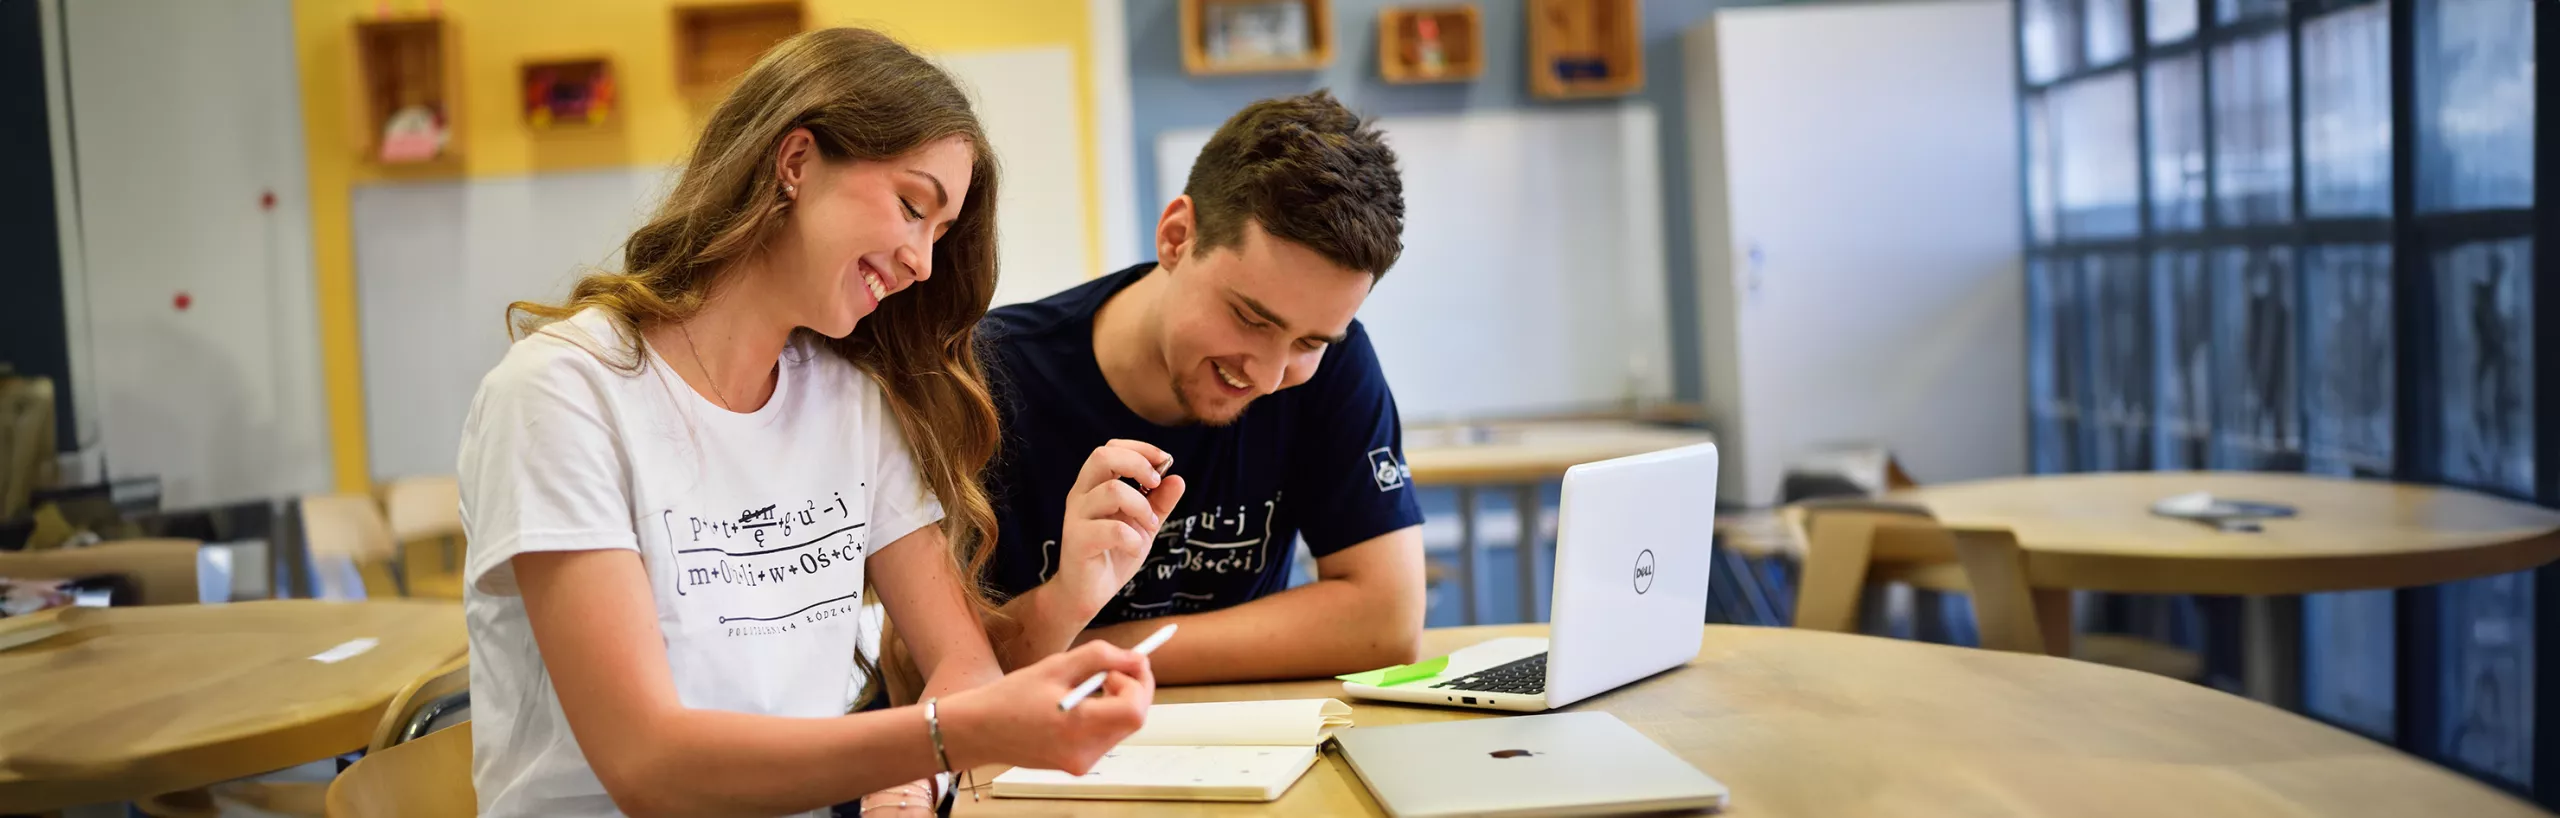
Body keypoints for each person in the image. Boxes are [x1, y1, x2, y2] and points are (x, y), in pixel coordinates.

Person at [457, 28, 1153, 818]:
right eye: (912, 206)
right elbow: (648, 766)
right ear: (794, 163)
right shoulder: (563, 394)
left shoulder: (850, 400)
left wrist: (915, 776)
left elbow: (964, 668)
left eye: (940, 234)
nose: (923, 262)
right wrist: (932, 741)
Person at [973, 91, 1425, 685]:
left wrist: (1091, 651)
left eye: (1308, 343)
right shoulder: (988, 374)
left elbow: (1386, 620)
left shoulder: (1336, 363)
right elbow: (915, 672)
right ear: (1177, 237)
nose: (1267, 376)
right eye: (1251, 319)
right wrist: (1064, 602)